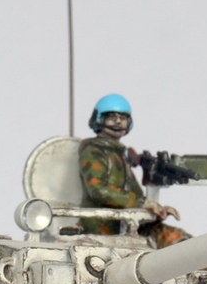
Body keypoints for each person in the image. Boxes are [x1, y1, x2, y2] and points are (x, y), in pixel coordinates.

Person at [78, 94, 187, 247]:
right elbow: (98, 190)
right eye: (111, 117)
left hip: (127, 224)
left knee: (180, 241)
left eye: (123, 118)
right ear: (98, 119)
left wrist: (156, 209)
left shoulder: (120, 154)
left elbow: (135, 192)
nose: (118, 122)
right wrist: (140, 204)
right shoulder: (93, 152)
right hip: (100, 226)